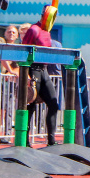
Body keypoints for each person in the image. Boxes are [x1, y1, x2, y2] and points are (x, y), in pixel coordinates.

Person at [20, 13, 61, 146]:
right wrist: (26, 75)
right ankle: (24, 140)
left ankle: (51, 140)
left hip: (44, 70)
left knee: (53, 104)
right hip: (32, 69)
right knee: (29, 105)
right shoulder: (34, 29)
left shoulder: (45, 31)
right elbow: (23, 50)